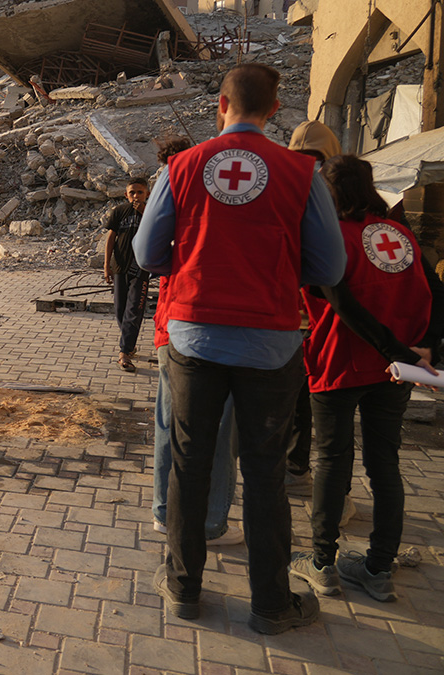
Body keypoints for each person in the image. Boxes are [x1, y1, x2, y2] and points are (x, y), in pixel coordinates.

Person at [135, 63, 346, 635]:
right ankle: (271, 604)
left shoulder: (181, 167)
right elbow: (330, 266)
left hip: (193, 337)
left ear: (220, 103)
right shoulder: (302, 173)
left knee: (189, 464)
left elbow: (146, 254)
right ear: (275, 110)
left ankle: (182, 588)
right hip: (271, 345)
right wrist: (275, 272)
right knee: (265, 473)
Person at [289, 155, 443, 603]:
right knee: (385, 465)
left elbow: (343, 305)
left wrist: (394, 350)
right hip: (396, 371)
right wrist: (424, 347)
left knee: (333, 462)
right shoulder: (400, 234)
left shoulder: (332, 237)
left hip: (342, 362)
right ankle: (377, 569)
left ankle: (322, 564)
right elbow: (438, 294)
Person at [149, 135, 243, 547]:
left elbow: (147, 253)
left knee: (170, 425)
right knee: (220, 432)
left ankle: (164, 513)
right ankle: (208, 524)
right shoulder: (230, 192)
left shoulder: (175, 189)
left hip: (172, 325)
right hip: (218, 327)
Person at [283, 121, 344, 500]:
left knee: (316, 404)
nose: (312, 167)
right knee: (300, 401)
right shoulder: (298, 191)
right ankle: (297, 468)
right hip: (301, 317)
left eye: (316, 160)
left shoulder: (344, 199)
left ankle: (324, 482)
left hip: (320, 318)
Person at [103, 178, 152, 372]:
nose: (136, 196)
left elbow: (161, 231)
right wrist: (106, 265)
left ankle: (124, 351)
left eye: (140, 192)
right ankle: (129, 344)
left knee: (135, 309)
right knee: (120, 309)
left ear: (147, 194)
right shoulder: (120, 212)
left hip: (141, 268)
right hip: (119, 267)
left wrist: (143, 211)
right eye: (132, 192)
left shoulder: (151, 213)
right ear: (126, 194)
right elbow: (111, 238)